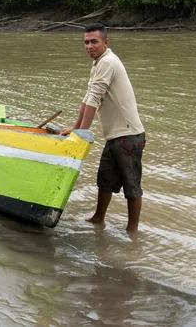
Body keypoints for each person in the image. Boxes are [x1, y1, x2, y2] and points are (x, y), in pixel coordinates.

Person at [60, 24, 146, 232]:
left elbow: (95, 97)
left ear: (105, 43)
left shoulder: (108, 62)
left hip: (129, 136)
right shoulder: (98, 63)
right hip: (115, 136)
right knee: (105, 180)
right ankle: (98, 219)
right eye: (86, 42)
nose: (89, 46)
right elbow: (88, 97)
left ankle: (132, 231)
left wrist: (82, 132)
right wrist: (76, 128)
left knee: (131, 186)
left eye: (94, 42)